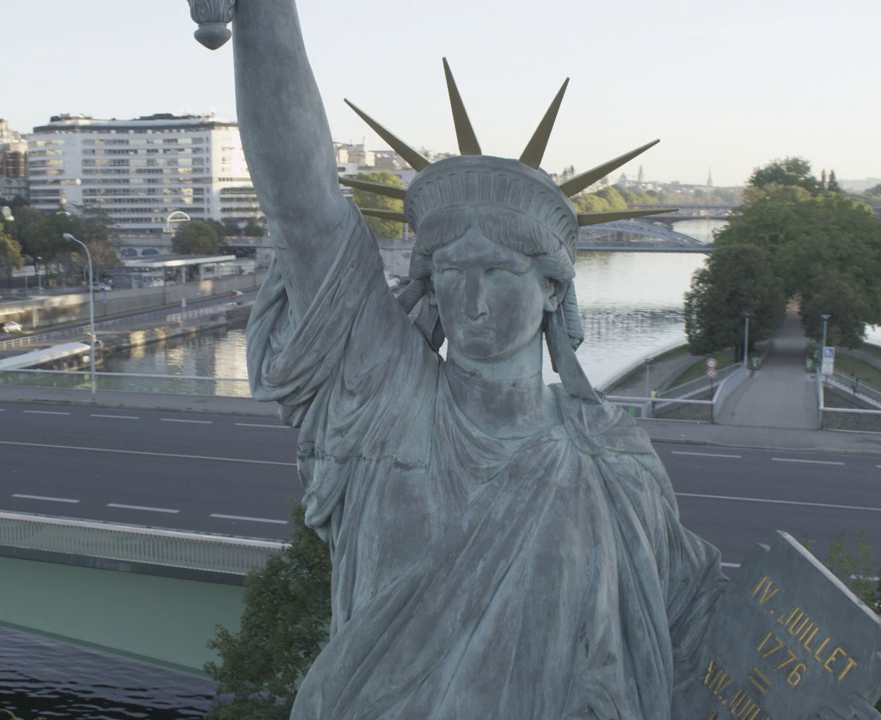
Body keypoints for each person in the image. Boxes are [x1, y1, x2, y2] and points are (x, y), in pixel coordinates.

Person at [196, 1, 728, 717]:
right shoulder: (388, 401)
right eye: (450, 271)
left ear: (551, 291)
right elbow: (305, 205)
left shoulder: (614, 466)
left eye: (498, 273)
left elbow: (689, 639)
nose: (470, 298)